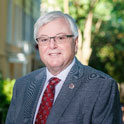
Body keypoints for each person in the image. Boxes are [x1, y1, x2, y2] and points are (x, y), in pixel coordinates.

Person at [5, 11, 122, 124]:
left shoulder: (102, 87)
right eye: (44, 39)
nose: (52, 45)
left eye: (60, 38)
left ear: (75, 43)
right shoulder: (22, 85)